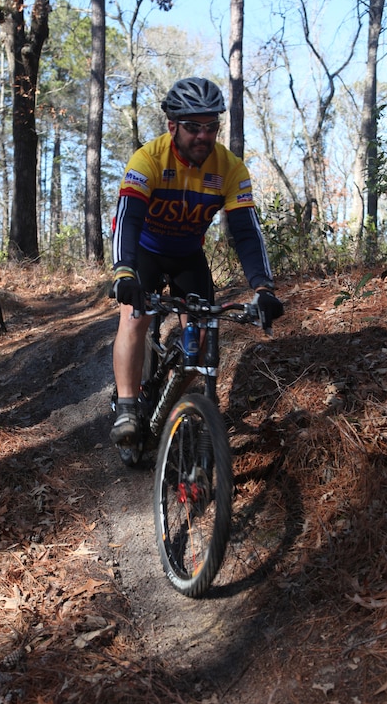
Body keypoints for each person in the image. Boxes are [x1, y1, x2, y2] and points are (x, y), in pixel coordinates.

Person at [110, 76, 284, 445]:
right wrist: (124, 271)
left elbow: (246, 232)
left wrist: (263, 287)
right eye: (192, 127)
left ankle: (176, 404)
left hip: (188, 254)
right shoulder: (148, 159)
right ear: (172, 126)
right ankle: (126, 406)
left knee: (203, 338)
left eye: (211, 127)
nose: (203, 136)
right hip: (146, 250)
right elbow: (128, 218)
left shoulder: (230, 168)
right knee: (135, 317)